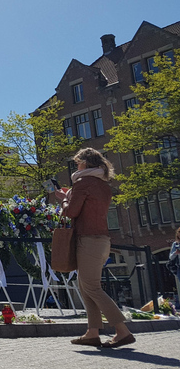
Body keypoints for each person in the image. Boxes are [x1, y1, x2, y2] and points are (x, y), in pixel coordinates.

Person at [54, 147, 135, 348]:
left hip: (87, 240)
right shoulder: (102, 183)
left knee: (92, 286)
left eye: (77, 162)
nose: (76, 165)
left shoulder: (82, 182)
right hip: (102, 240)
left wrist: (63, 199)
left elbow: (71, 212)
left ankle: (122, 331)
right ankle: (92, 332)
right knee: (85, 286)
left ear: (85, 163)